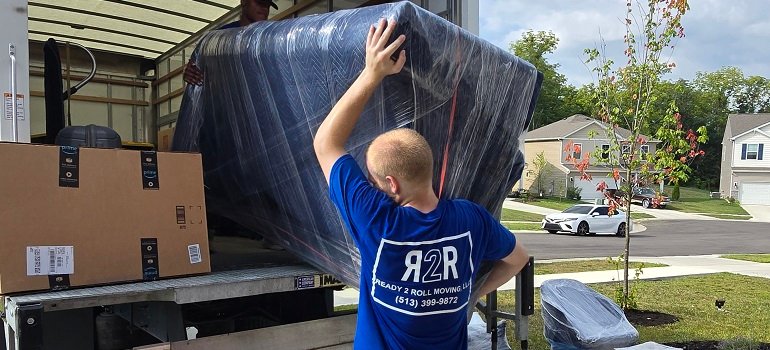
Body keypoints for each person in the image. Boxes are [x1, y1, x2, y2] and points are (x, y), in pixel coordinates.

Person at [313, 18, 530, 349]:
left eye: (371, 178)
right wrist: (469, 293)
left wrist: (372, 73)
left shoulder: (376, 220)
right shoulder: (470, 220)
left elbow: (326, 143)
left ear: (392, 186)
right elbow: (517, 259)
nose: (368, 184)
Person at [183, 0, 278, 85]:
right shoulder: (220, 37)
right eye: (259, 2)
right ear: (244, 1)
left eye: (267, 4)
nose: (264, 8)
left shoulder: (274, 40)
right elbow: (195, 65)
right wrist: (190, 72)